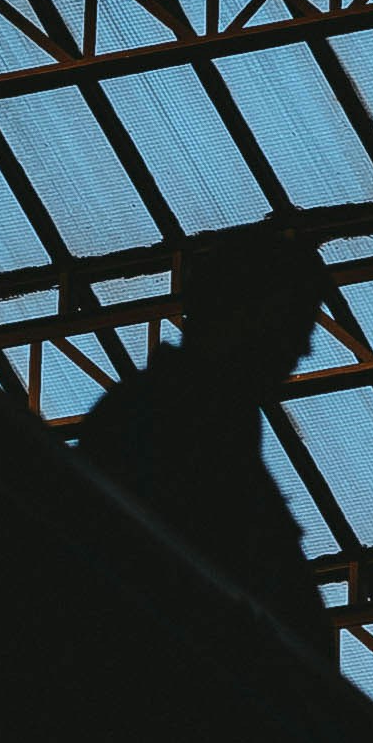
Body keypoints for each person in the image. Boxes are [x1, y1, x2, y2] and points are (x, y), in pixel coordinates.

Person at [71, 211, 341, 661]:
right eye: (295, 323)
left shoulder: (158, 419)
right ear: (246, 312)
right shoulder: (170, 425)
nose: (304, 348)